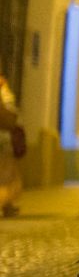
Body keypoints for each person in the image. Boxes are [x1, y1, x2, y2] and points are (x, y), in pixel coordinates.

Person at [0, 59, 22, 217]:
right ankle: (5, 204)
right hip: (3, 137)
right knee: (7, 174)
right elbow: (11, 113)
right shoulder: (3, 89)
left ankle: (7, 205)